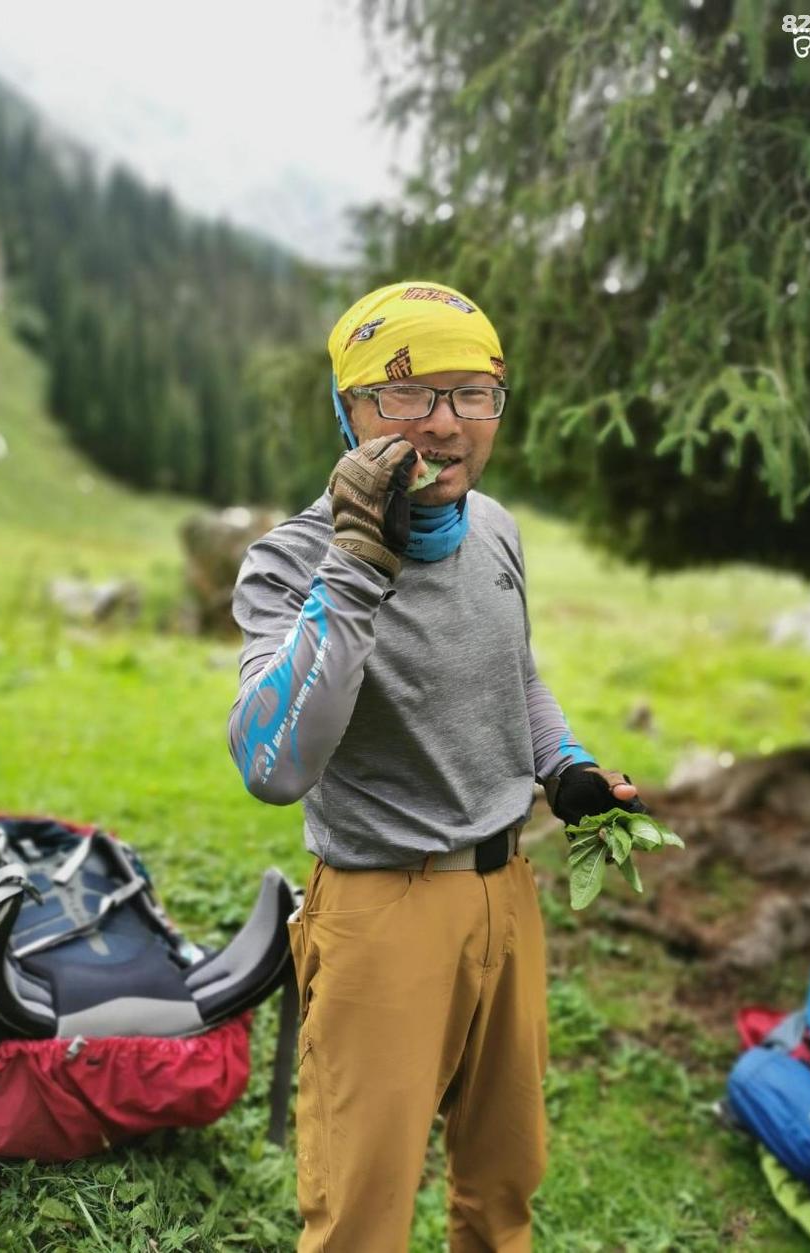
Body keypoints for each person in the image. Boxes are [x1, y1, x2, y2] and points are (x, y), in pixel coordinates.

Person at [227, 280, 645, 1253]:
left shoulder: (494, 528)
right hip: (382, 909)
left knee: (502, 1184)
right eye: (407, 395)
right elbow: (273, 761)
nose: (446, 425)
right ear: (350, 411)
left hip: (508, 892)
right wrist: (360, 562)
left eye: (473, 393)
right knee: (362, 1214)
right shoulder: (291, 562)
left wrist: (566, 765)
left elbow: (514, 669)